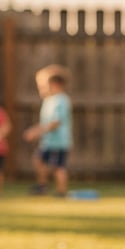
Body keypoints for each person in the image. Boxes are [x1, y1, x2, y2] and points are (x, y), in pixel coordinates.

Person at [24, 65, 73, 196]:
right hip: (48, 141)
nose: (41, 89)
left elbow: (55, 123)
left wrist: (37, 132)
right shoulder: (49, 100)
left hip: (59, 142)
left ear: (55, 84)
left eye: (43, 85)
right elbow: (46, 122)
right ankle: (42, 185)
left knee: (58, 167)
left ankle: (62, 191)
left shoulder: (61, 101)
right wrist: (36, 130)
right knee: (38, 159)